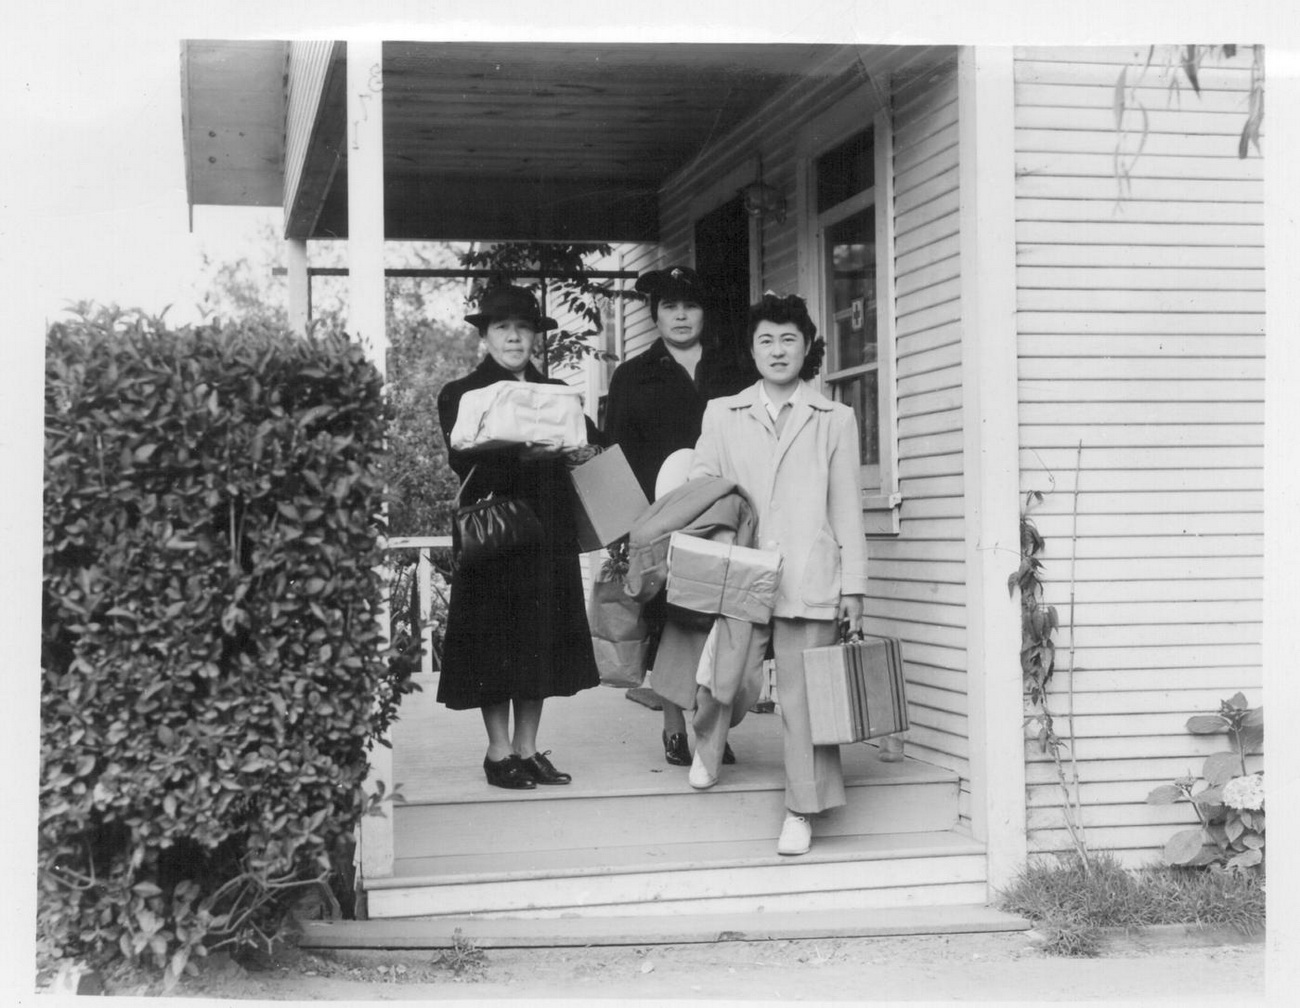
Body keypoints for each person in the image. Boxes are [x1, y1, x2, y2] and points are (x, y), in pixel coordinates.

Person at [687, 292, 869, 857]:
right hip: (743, 567)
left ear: (807, 345)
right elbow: (703, 487)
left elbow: (847, 507)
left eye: (789, 339)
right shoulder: (722, 413)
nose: (778, 350)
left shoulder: (835, 418)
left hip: (810, 574)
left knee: (805, 699)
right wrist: (723, 542)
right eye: (766, 339)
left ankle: (801, 809)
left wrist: (854, 585)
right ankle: (707, 745)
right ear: (751, 349)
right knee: (728, 675)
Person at [436, 285, 602, 790]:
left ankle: (528, 750)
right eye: (502, 327)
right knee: (495, 641)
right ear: (485, 336)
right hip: (496, 533)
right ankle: (498, 751)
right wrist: (527, 451)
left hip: (548, 532)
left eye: (523, 327)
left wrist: (582, 450)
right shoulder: (461, 393)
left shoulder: (558, 392)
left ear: (536, 337)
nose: (514, 337)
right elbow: (462, 459)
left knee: (539, 642)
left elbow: (589, 443)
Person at [602, 265, 753, 767]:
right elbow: (616, 458)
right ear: (656, 314)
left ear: (704, 313)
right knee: (671, 623)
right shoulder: (632, 376)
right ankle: (673, 728)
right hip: (660, 520)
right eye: (670, 306)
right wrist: (623, 535)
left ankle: (712, 726)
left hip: (722, 516)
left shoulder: (734, 371)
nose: (681, 316)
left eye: (690, 306)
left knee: (719, 623)